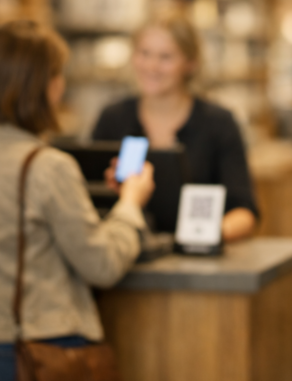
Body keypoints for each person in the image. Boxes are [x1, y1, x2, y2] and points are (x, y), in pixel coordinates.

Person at [0, 21, 155, 381]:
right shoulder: (46, 166)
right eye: (57, 75)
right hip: (31, 359)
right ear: (43, 86)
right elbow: (101, 263)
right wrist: (131, 204)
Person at [92, 13, 258, 241]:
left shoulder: (219, 123)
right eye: (144, 53)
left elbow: (245, 211)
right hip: (123, 261)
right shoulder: (113, 118)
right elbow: (88, 200)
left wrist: (206, 237)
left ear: (190, 64)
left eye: (166, 57)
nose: (152, 66)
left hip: (197, 265)